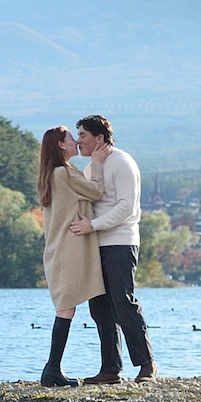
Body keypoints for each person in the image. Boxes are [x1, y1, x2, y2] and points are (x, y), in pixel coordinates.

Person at [67, 114, 156, 383]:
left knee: (123, 302)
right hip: (95, 243)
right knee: (99, 306)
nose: (79, 140)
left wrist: (93, 225)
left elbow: (126, 207)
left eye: (83, 135)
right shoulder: (92, 167)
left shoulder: (122, 162)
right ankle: (110, 369)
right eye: (78, 135)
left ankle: (147, 365)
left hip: (121, 242)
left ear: (99, 138)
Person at [35, 126, 106, 386]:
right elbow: (96, 191)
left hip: (58, 249)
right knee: (66, 308)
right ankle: (52, 369)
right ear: (61, 145)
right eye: (71, 138)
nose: (76, 141)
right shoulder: (63, 173)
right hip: (67, 249)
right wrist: (96, 163)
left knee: (67, 307)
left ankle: (52, 368)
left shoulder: (52, 174)